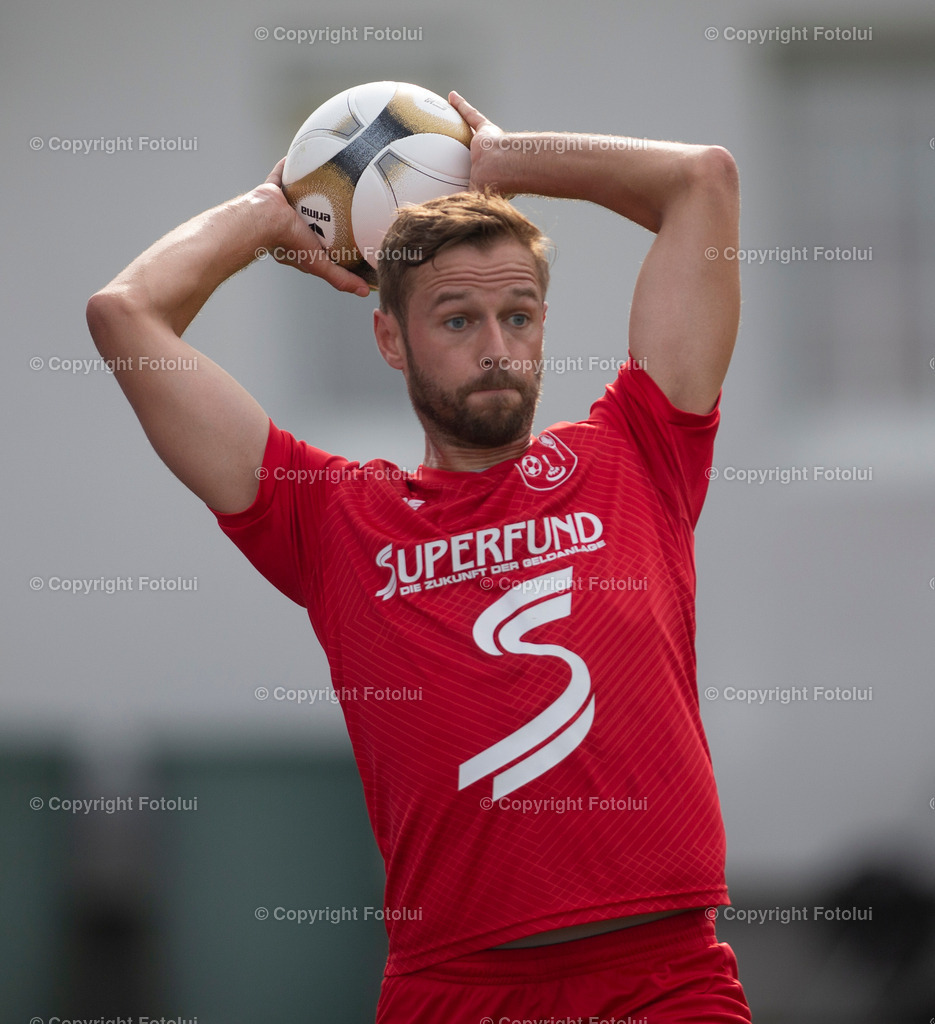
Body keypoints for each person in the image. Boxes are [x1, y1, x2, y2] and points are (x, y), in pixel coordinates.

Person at [87, 91, 749, 1022]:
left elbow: (699, 180)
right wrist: (267, 217)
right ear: (390, 339)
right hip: (454, 992)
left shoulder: (637, 451)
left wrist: (508, 158)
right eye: (455, 321)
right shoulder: (332, 521)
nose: (495, 349)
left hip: (664, 980)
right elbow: (125, 317)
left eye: (519, 316)